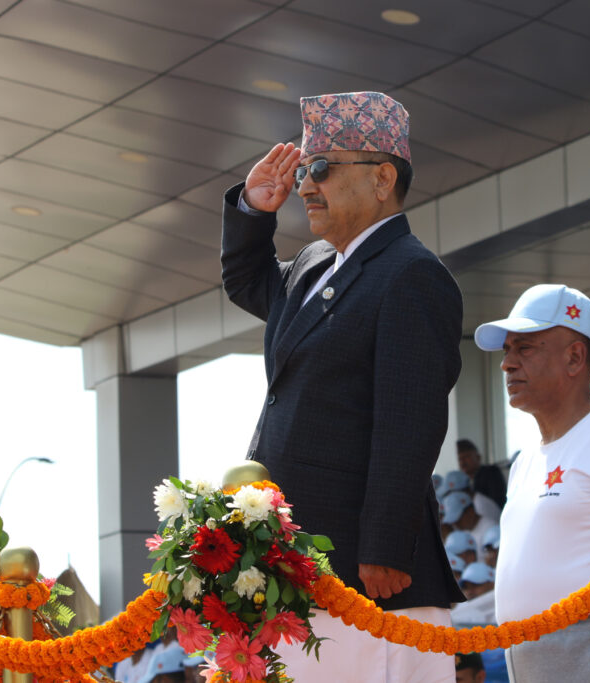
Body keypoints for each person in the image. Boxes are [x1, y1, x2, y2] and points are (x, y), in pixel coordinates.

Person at [220, 90, 463, 681]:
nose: (305, 185)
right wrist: (255, 208)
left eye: (321, 169)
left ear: (383, 179)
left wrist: (384, 545)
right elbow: (246, 282)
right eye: (303, 169)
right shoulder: (311, 263)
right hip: (303, 566)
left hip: (369, 574)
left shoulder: (412, 273)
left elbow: (409, 421)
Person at [474, 284, 590, 683]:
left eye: (525, 348)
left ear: (575, 357)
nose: (507, 364)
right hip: (526, 652)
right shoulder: (526, 458)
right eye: (507, 350)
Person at [457, 439, 507, 509]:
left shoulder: (491, 473)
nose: (462, 462)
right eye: (459, 459)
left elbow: (498, 502)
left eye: (466, 457)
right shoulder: (459, 481)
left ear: (478, 457)